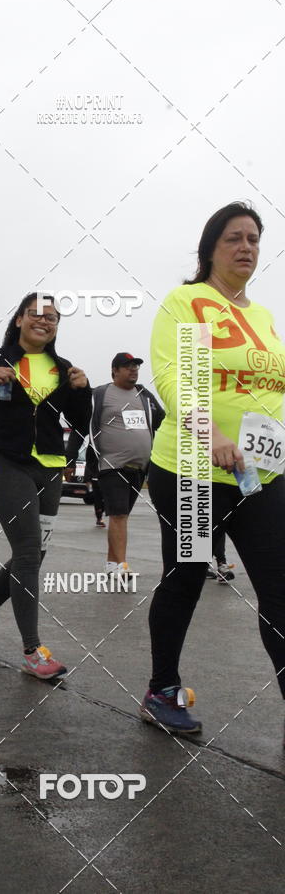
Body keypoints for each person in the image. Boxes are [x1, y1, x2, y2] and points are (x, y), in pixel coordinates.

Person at [142, 201, 285, 736]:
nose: (246, 247)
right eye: (234, 238)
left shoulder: (263, 317)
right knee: (187, 577)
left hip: (262, 476)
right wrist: (215, 435)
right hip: (192, 472)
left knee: (279, 589)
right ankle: (161, 690)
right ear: (209, 249)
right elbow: (179, 377)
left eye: (253, 238)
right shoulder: (191, 304)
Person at [0, 293, 91, 679]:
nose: (44, 321)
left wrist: (84, 392)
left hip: (49, 470)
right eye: (36, 314)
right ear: (19, 319)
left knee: (32, 556)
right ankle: (33, 651)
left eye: (52, 317)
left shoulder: (63, 369)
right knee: (29, 553)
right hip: (10, 464)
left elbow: (80, 423)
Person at [67, 353, 165, 578]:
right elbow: (80, 426)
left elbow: (162, 421)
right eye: (127, 366)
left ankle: (111, 563)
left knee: (121, 516)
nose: (133, 370)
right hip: (110, 465)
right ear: (114, 371)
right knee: (119, 514)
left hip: (139, 468)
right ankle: (121, 565)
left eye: (136, 366)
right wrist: (70, 459)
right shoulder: (99, 394)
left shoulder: (144, 394)